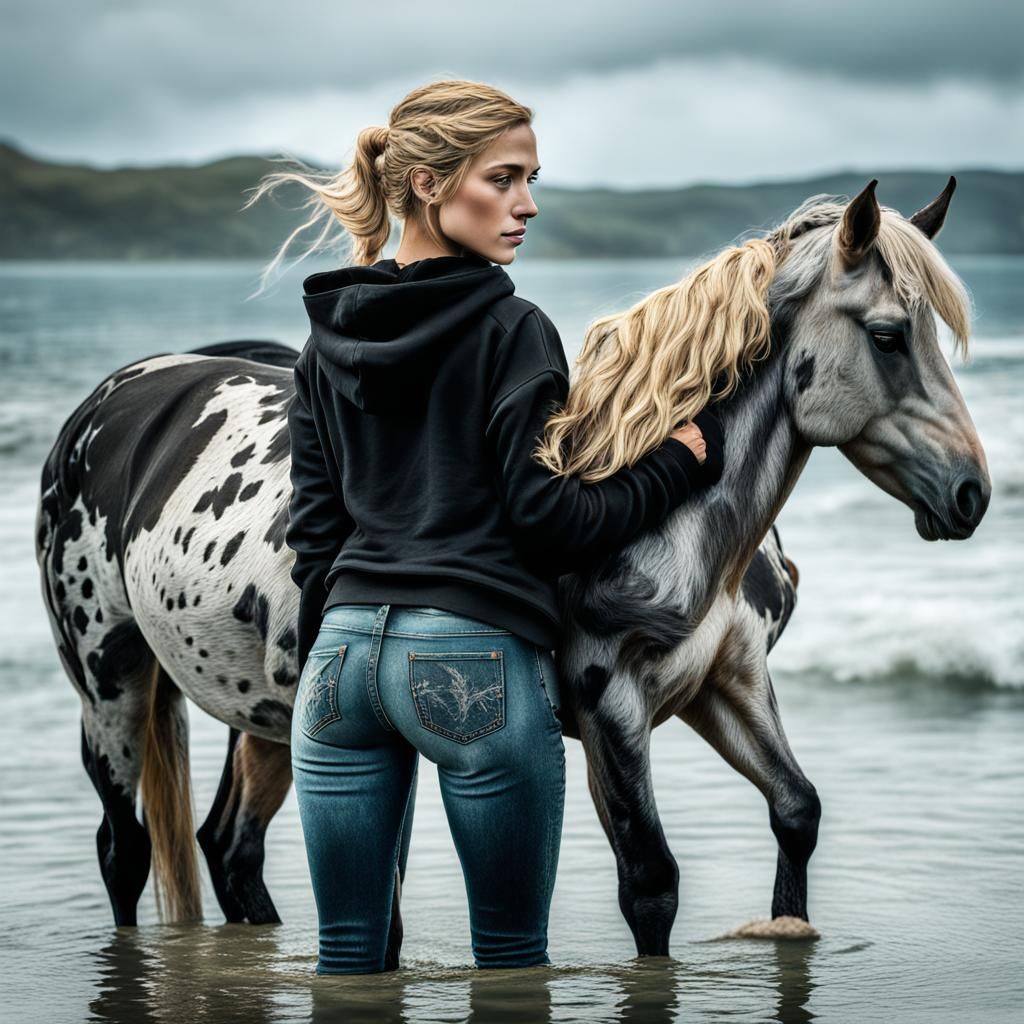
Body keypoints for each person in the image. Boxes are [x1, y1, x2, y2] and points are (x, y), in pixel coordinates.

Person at [253, 79, 725, 974]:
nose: (528, 204)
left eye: (530, 179)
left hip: (340, 669)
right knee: (510, 968)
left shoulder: (323, 343)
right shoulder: (513, 328)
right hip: (472, 662)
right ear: (429, 184)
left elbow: (316, 538)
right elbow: (550, 521)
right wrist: (676, 464)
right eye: (503, 179)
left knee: (347, 965)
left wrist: (336, 660)